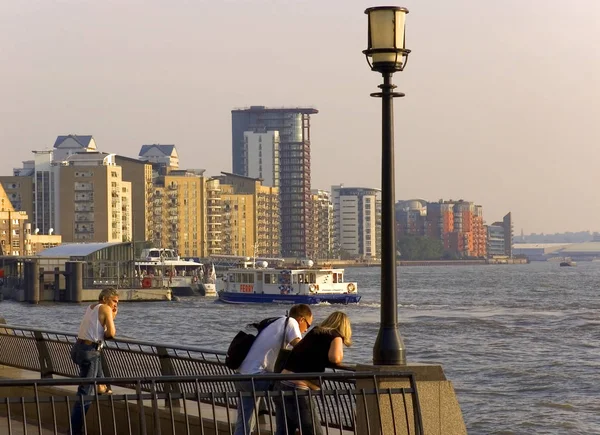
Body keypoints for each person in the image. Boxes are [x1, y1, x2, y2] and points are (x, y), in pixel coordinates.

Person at [234, 304, 313, 435]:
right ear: (301, 319)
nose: (306, 330)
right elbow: (300, 349)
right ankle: (294, 427)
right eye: (308, 325)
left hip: (241, 376)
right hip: (256, 377)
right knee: (287, 387)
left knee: (244, 422)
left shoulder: (277, 321)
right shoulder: (291, 322)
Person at [274, 311, 352, 435]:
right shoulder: (335, 335)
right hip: (297, 387)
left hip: (282, 382)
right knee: (313, 431)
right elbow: (335, 358)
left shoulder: (315, 331)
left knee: (283, 432)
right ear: (344, 327)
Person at [70, 288, 119, 435]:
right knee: (85, 394)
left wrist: (113, 313)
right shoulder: (105, 308)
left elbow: (99, 324)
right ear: (105, 299)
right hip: (89, 351)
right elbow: (111, 333)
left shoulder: (91, 307)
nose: (116, 305)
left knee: (96, 378)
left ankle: (102, 387)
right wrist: (112, 314)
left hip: (79, 348)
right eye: (114, 301)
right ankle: (74, 431)